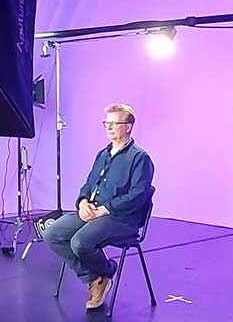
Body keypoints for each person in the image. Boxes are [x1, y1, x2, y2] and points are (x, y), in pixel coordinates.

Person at [42, 103, 155, 310]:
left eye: (114, 123)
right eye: (107, 123)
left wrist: (106, 209)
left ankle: (107, 270)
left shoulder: (140, 158)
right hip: (94, 210)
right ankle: (96, 278)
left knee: (79, 242)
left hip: (121, 218)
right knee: (52, 234)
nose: (109, 128)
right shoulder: (102, 154)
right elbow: (89, 183)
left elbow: (138, 196)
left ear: (128, 127)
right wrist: (83, 201)